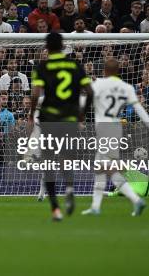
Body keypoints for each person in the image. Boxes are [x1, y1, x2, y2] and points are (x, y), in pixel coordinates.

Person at [81, 58, 149, 217]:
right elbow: (139, 109)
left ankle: (136, 200)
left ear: (104, 71)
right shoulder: (126, 87)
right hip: (116, 129)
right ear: (118, 71)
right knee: (100, 168)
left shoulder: (99, 84)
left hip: (104, 129)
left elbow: (86, 97)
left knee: (106, 169)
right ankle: (96, 207)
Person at [29, 32, 92, 221]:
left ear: (47, 47)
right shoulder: (75, 65)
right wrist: (82, 114)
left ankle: (55, 208)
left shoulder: (42, 67)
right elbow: (90, 92)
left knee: (48, 160)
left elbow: (34, 94)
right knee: (66, 157)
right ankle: (70, 189)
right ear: (63, 45)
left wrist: (32, 114)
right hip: (70, 119)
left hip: (49, 118)